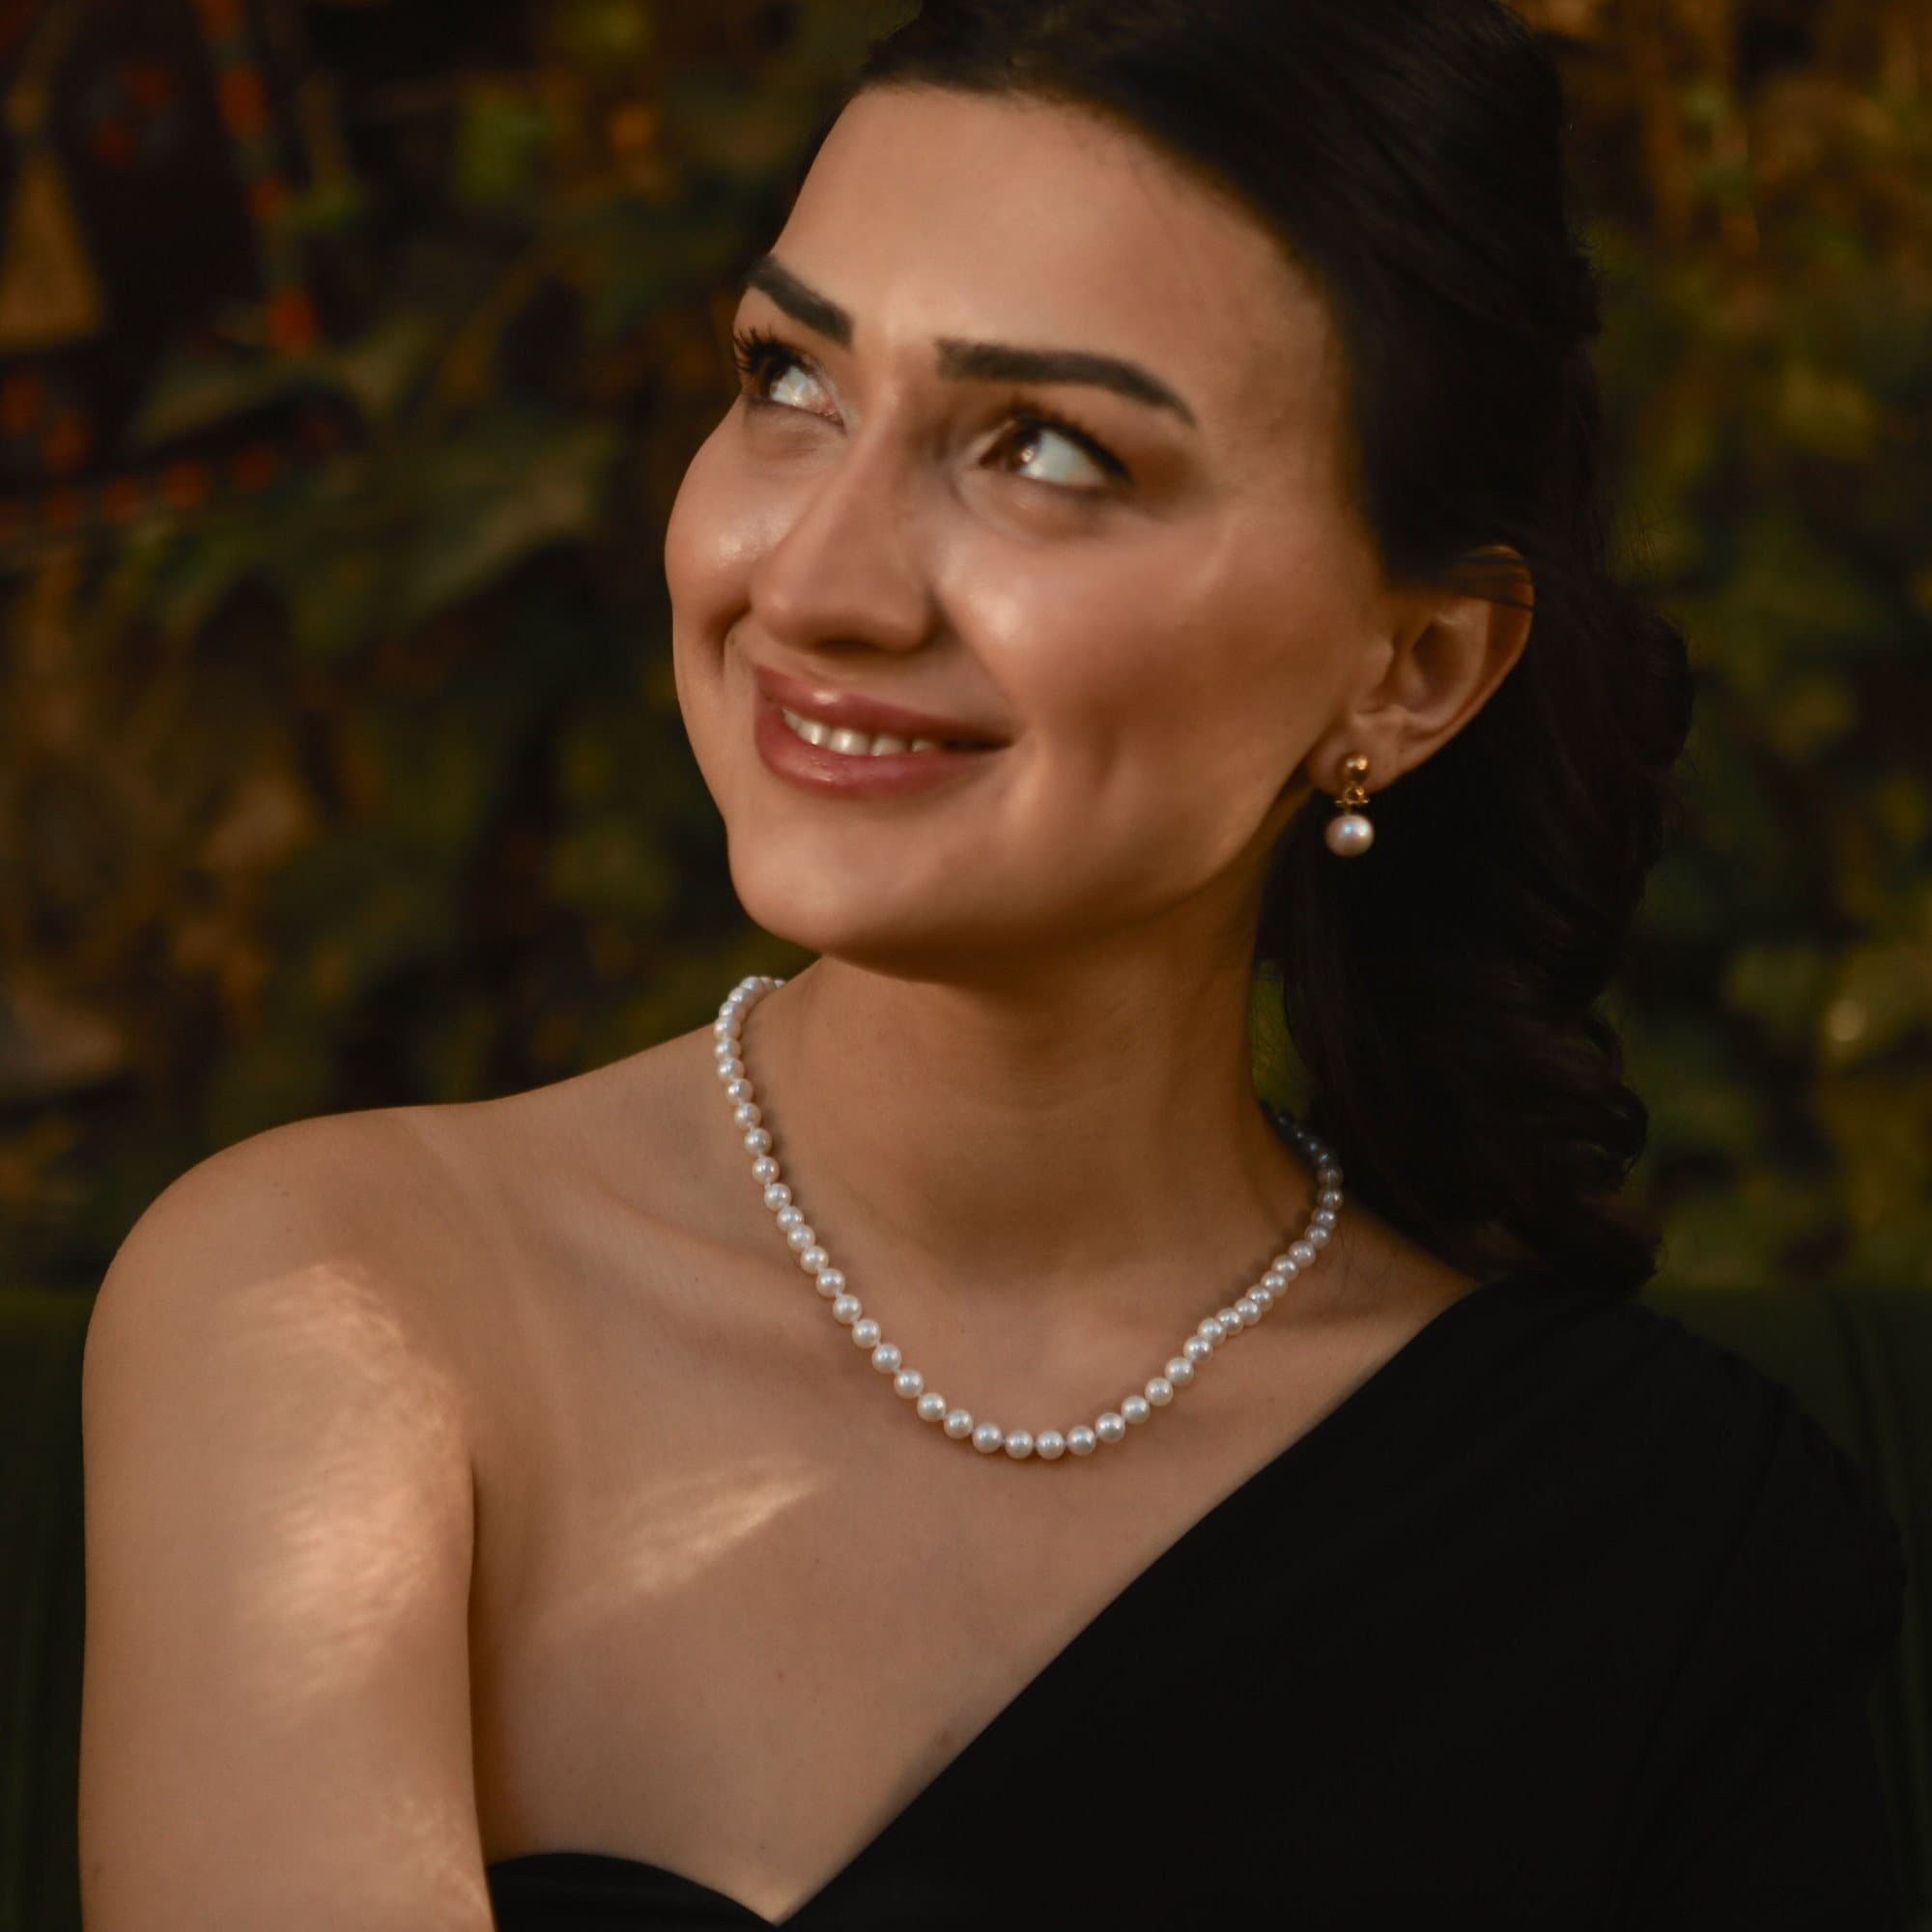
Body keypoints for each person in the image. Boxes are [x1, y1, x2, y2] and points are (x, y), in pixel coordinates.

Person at [77, 1, 1910, 1926]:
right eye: (788, 378)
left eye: (1045, 448)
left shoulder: (1657, 1540)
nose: (817, 583)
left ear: (1412, 668)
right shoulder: (344, 1309)